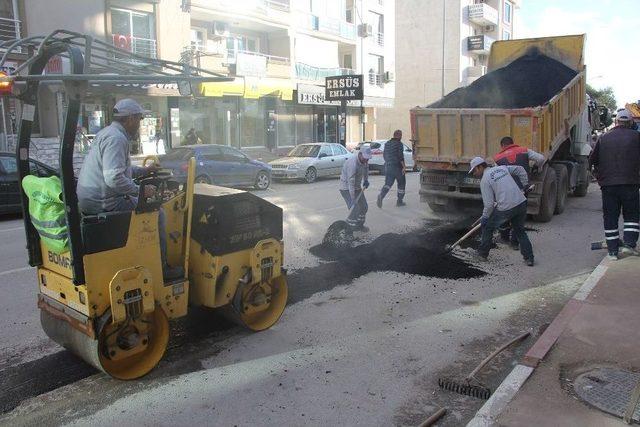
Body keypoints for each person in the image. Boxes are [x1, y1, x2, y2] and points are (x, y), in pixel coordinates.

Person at [77, 98, 183, 281]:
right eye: (139, 119)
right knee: (158, 214)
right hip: (105, 202)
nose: (140, 124)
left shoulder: (107, 133)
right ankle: (162, 268)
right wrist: (140, 191)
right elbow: (114, 178)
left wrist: (144, 170)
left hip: (92, 199)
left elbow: (119, 170)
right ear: (130, 119)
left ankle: (145, 257)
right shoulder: (117, 139)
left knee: (144, 207)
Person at [589, 108, 640, 260]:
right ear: (630, 122)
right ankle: (630, 245)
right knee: (631, 214)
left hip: (608, 185)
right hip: (631, 183)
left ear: (617, 122)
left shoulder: (604, 137)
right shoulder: (637, 137)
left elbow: (592, 160)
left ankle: (612, 252)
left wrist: (599, 177)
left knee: (610, 216)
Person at [469, 156, 535, 266]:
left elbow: (489, 205)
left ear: (480, 167)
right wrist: (525, 186)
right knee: (520, 231)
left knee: (488, 227)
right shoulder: (502, 168)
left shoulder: (485, 180)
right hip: (521, 202)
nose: (474, 174)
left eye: (474, 171)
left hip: (506, 208)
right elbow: (520, 169)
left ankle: (482, 254)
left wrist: (485, 218)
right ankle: (529, 258)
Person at [493, 136, 545, 249]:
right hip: (523, 189)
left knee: (505, 213)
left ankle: (505, 237)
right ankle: (514, 242)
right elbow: (541, 158)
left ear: (502, 146)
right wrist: (537, 167)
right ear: (513, 143)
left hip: (507, 191)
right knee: (519, 216)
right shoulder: (524, 150)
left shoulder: (497, 158)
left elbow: (496, 176)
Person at [339, 146, 372, 232]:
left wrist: (366, 180)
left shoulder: (365, 161)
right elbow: (351, 182)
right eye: (365, 158)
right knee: (355, 209)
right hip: (346, 188)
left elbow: (366, 170)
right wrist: (353, 199)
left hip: (356, 187)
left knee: (364, 207)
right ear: (360, 154)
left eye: (368, 158)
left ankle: (359, 226)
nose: (367, 160)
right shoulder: (352, 163)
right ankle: (349, 230)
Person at [377, 129, 407, 208]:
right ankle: (399, 201)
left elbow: (384, 155)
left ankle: (381, 196)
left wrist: (388, 162)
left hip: (388, 166)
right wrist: (404, 167)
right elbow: (400, 156)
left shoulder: (387, 143)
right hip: (397, 167)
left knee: (388, 184)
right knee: (401, 184)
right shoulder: (399, 144)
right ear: (399, 136)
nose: (401, 137)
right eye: (401, 135)